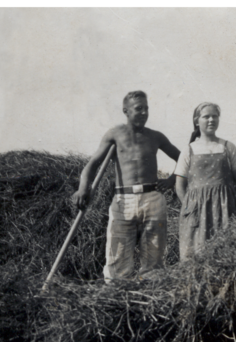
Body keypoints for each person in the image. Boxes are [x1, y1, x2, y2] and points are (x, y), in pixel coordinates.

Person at [72, 90, 180, 283]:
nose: (144, 113)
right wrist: (83, 188)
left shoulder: (156, 136)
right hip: (124, 199)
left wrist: (172, 180)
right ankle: (116, 298)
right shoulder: (115, 134)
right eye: (139, 108)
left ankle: (149, 296)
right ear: (126, 110)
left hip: (152, 198)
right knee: (117, 255)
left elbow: (182, 159)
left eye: (146, 108)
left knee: (154, 257)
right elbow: (92, 165)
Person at [175, 102, 236, 260]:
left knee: (227, 254)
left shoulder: (228, 147)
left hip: (226, 211)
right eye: (206, 116)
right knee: (196, 256)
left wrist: (231, 204)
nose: (211, 120)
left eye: (215, 116)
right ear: (196, 120)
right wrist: (191, 209)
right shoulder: (189, 149)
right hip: (198, 212)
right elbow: (180, 186)